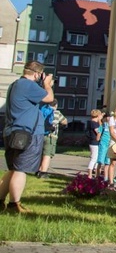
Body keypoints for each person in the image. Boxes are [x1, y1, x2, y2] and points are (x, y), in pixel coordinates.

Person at [0, 62, 55, 213]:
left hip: (12, 131)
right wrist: (47, 84)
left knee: (12, 169)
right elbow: (49, 98)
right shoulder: (29, 85)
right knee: (21, 170)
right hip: (26, 133)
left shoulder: (15, 84)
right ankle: (14, 204)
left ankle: (0, 200)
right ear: (37, 74)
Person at [36, 99, 68, 178]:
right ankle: (43, 172)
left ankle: (38, 170)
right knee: (47, 154)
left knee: (41, 154)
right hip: (51, 136)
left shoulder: (41, 110)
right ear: (56, 105)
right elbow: (65, 122)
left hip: (40, 134)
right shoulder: (56, 113)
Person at [86, 109, 103, 178]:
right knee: (94, 158)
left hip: (94, 142)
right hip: (94, 142)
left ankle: (95, 172)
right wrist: (100, 120)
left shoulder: (91, 122)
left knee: (95, 158)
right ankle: (90, 173)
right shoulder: (94, 123)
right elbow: (99, 131)